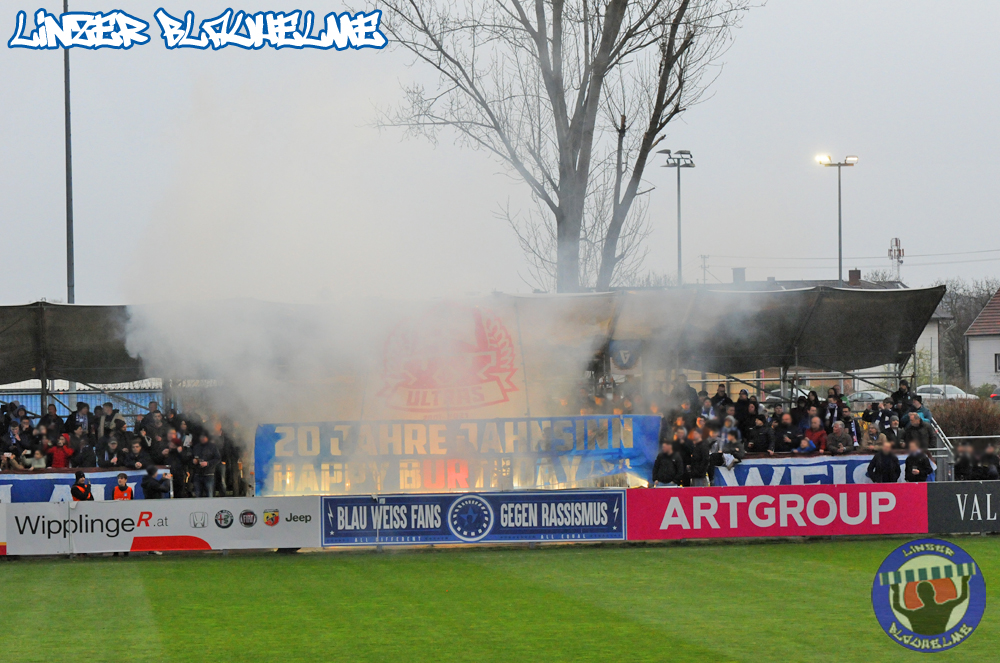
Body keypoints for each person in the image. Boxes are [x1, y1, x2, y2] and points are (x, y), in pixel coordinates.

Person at [891, 577, 970, 636]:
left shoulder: (915, 614)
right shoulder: (944, 608)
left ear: (919, 596)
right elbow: (963, 596)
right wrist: (964, 581)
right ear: (933, 592)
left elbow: (897, 606)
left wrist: (896, 591)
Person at [190, 432, 221, 497]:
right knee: (198, 494)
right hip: (197, 474)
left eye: (204, 437)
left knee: (209, 494)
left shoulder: (213, 447)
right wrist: (193, 461)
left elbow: (218, 459)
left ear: (207, 438)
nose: (202, 439)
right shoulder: (196, 447)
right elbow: (191, 457)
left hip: (209, 474)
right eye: (201, 437)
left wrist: (208, 463)